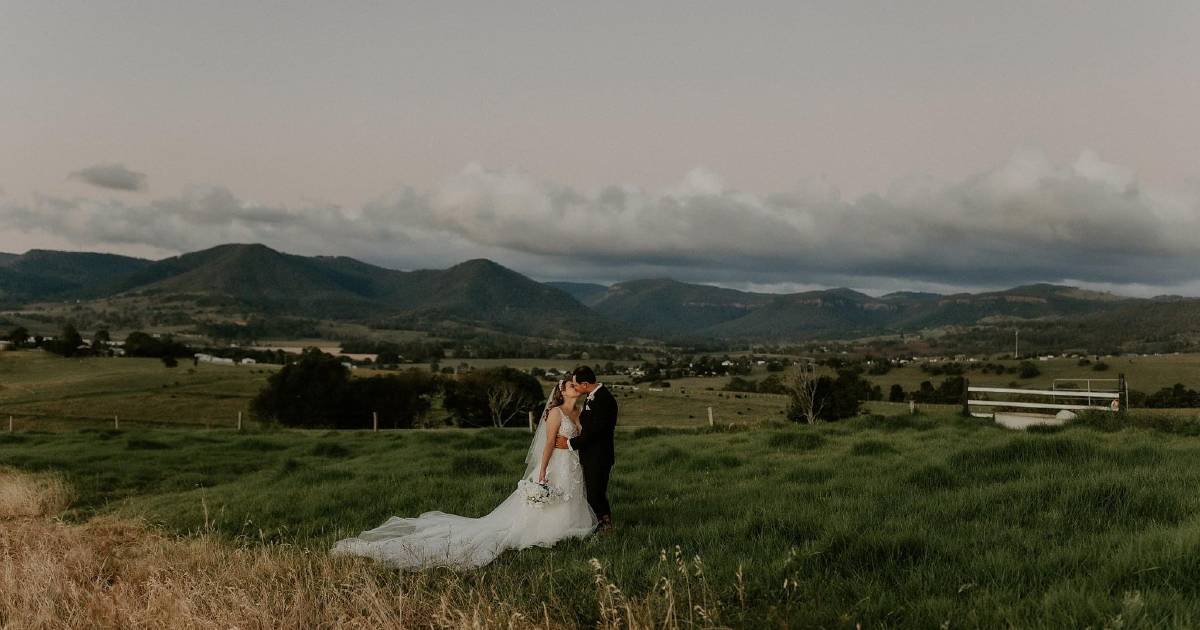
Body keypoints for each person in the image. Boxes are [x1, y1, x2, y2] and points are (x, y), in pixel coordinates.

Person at [331, 380, 596, 570]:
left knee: (570, 494)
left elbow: (581, 437)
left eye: (576, 385)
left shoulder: (577, 412)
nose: (575, 387)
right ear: (560, 392)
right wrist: (541, 473)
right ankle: (545, 530)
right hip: (554, 463)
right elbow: (548, 443)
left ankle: (568, 525)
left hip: (571, 462)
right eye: (571, 385)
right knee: (550, 497)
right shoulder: (554, 414)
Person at [555, 365, 618, 533]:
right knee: (593, 491)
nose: (574, 387)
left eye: (576, 384)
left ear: (584, 384)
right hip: (591, 455)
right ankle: (601, 525)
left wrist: (569, 444)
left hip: (599, 455)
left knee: (596, 493)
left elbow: (595, 432)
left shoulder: (604, 399)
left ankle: (605, 527)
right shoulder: (593, 397)